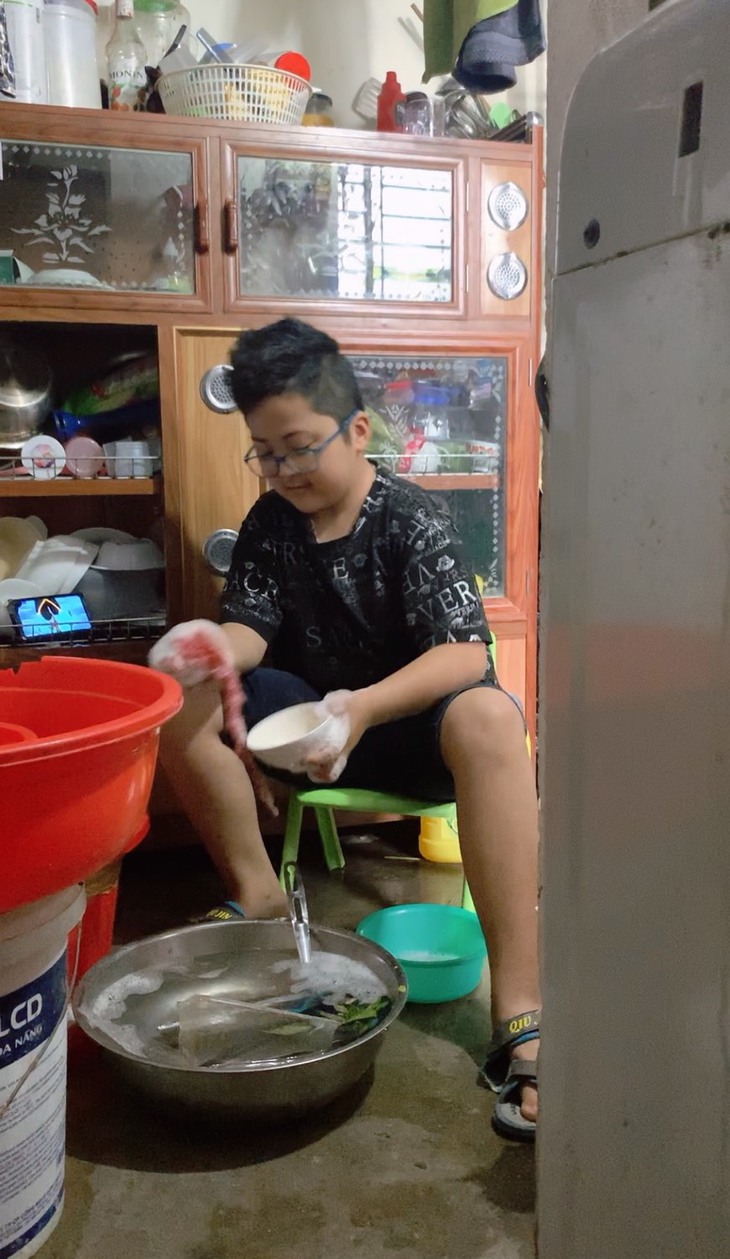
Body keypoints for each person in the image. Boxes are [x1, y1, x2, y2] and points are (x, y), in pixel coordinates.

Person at [152, 318, 540, 1141]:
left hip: (413, 731)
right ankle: (260, 893)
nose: (283, 469)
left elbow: (464, 652)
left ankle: (520, 1011)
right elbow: (251, 631)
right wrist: (208, 643)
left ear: (357, 429)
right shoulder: (270, 524)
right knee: (177, 694)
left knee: (490, 713)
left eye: (299, 447)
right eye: (265, 452)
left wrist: (360, 707)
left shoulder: (412, 516)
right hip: (309, 728)